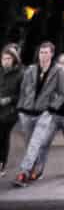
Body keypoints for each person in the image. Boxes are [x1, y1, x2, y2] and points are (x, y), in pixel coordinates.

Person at [12, 44, 64, 186]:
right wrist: (20, 108)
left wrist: (50, 108)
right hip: (26, 112)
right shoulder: (31, 69)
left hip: (44, 114)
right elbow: (23, 90)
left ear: (52, 54)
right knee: (31, 145)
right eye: (41, 52)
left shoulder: (59, 71)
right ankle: (38, 169)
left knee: (35, 143)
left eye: (46, 52)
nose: (43, 55)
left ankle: (23, 173)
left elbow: (63, 94)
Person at [23, 53, 64, 180]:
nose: (57, 65)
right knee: (43, 143)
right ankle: (38, 171)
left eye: (61, 63)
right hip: (53, 115)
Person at [0, 45, 21, 174]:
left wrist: (8, 99)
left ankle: (2, 164)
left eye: (8, 58)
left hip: (10, 112)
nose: (5, 61)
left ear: (14, 59)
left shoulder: (20, 74)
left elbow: (22, 95)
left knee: (3, 136)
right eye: (3, 59)